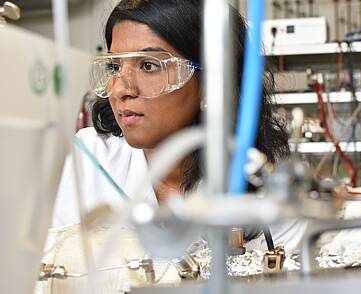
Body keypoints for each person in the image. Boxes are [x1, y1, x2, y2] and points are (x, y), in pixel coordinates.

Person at [52, 0, 309, 254]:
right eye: (114, 66)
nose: (120, 89)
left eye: (149, 66)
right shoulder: (91, 158)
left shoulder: (269, 180)